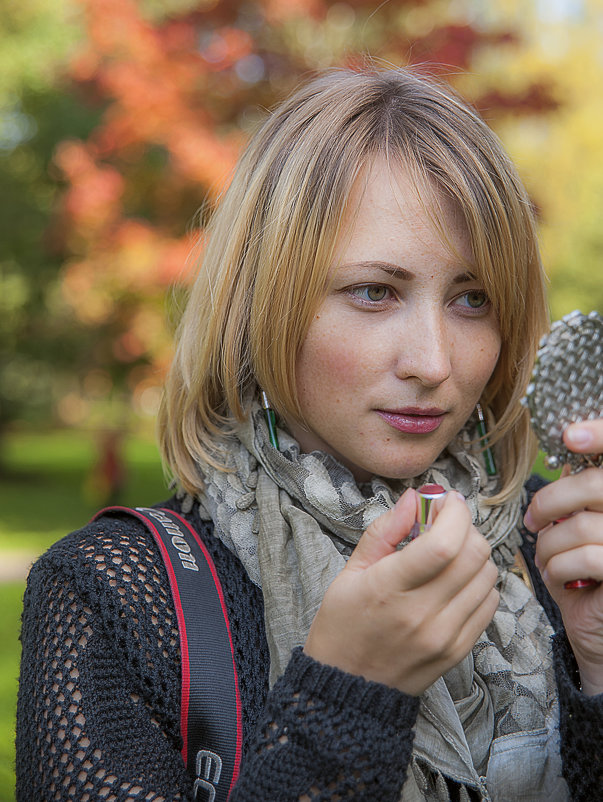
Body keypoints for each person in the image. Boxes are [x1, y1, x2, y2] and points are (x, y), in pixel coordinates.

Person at [16, 68, 602, 801]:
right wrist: (350, 692)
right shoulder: (113, 595)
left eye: (471, 299)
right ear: (265, 302)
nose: (433, 362)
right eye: (373, 292)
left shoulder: (561, 550)